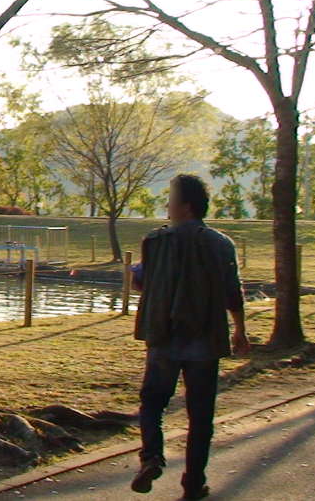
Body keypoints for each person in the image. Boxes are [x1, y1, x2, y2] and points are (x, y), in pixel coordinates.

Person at [130, 174, 250, 500]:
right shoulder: (220, 243)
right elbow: (232, 293)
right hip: (204, 340)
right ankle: (193, 485)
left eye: (170, 198)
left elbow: (142, 283)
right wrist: (240, 329)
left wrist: (138, 277)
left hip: (163, 338)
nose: (166, 204)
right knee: (200, 416)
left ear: (185, 206)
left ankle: (152, 457)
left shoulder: (154, 242)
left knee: (152, 402)